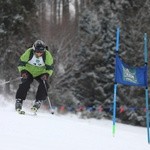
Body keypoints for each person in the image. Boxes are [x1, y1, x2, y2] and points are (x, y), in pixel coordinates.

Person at [15, 40, 54, 114]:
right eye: (37, 52)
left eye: (41, 52)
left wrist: (46, 74)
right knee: (26, 82)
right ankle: (19, 100)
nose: (39, 54)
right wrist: (23, 71)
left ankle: (38, 101)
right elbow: (21, 63)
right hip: (28, 71)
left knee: (45, 84)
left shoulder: (47, 55)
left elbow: (50, 68)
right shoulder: (29, 52)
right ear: (34, 49)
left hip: (40, 73)